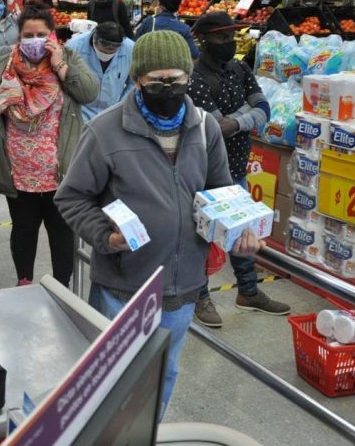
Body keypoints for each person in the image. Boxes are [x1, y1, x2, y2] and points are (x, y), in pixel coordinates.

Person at [54, 30, 262, 418]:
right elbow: (71, 197)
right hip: (122, 286)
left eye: (176, 79)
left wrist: (240, 232)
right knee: (110, 380)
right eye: (156, 81)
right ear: (137, 80)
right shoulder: (105, 129)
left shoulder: (205, 128)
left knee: (163, 375)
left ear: (188, 76)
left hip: (182, 287)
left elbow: (221, 193)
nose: (168, 88)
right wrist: (104, 235)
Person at [0, 2, 99, 287]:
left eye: (40, 34)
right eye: (27, 36)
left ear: (52, 35)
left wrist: (61, 66)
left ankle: (61, 287)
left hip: (61, 171)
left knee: (62, 233)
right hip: (17, 171)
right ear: (18, 37)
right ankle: (24, 282)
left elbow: (90, 92)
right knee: (23, 231)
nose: (33, 41)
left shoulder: (68, 58)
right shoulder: (1, 68)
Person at [188, 12, 289, 327]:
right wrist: (245, 116)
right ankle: (199, 296)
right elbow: (215, 127)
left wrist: (238, 120)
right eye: (222, 37)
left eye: (232, 37)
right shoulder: (193, 78)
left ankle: (248, 292)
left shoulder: (240, 67)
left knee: (243, 233)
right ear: (203, 40)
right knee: (200, 237)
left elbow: (264, 109)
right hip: (203, 172)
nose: (229, 43)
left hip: (237, 168)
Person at [65, 21, 135, 122]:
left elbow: (134, 83)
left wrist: (122, 105)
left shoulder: (130, 49)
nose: (107, 54)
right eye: (103, 51)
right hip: (80, 111)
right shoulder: (74, 47)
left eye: (112, 52)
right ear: (94, 39)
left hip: (113, 112)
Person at [134, 0, 199, 59]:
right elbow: (194, 53)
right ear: (177, 9)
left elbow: (135, 42)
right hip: (174, 66)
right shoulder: (184, 28)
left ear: (161, 6)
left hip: (151, 65)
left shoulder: (149, 21)